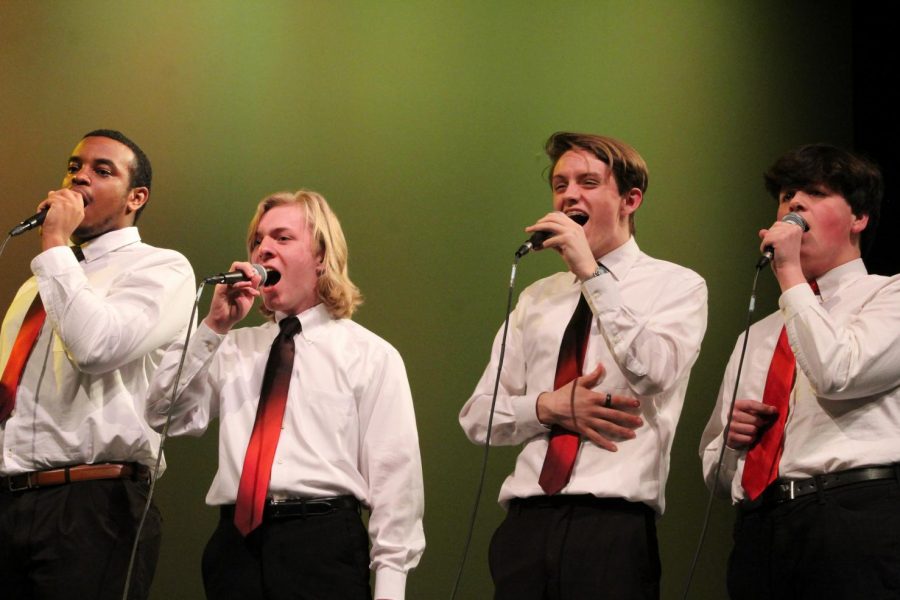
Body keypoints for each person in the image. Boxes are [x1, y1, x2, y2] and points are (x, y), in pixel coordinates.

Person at [459, 131, 708, 599]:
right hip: (527, 525)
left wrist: (592, 275)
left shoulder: (677, 286)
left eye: (588, 182)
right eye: (560, 184)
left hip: (612, 527)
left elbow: (654, 372)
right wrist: (547, 408)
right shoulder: (537, 297)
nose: (570, 194)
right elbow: (477, 416)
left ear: (630, 200)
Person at [146, 190, 425, 600]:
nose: (264, 250)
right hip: (235, 551)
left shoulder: (370, 355)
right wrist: (213, 327)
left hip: (322, 546)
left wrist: (390, 591)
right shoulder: (233, 347)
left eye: (282, 238)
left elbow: (396, 484)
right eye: (258, 241)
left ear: (321, 256)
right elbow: (160, 412)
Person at [0, 129, 196, 599]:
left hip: (94, 507)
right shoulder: (39, 285)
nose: (79, 177)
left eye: (101, 170)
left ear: (136, 198)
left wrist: (54, 243)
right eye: (74, 166)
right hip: (11, 500)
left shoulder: (161, 268)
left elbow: (97, 347)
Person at [699, 143, 900, 599]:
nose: (795, 204)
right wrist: (731, 444)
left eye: (814, 192)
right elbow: (717, 473)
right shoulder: (758, 334)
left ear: (859, 217)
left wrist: (788, 274)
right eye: (787, 194)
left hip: (854, 519)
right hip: (761, 530)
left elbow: (838, 373)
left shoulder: (889, 296)